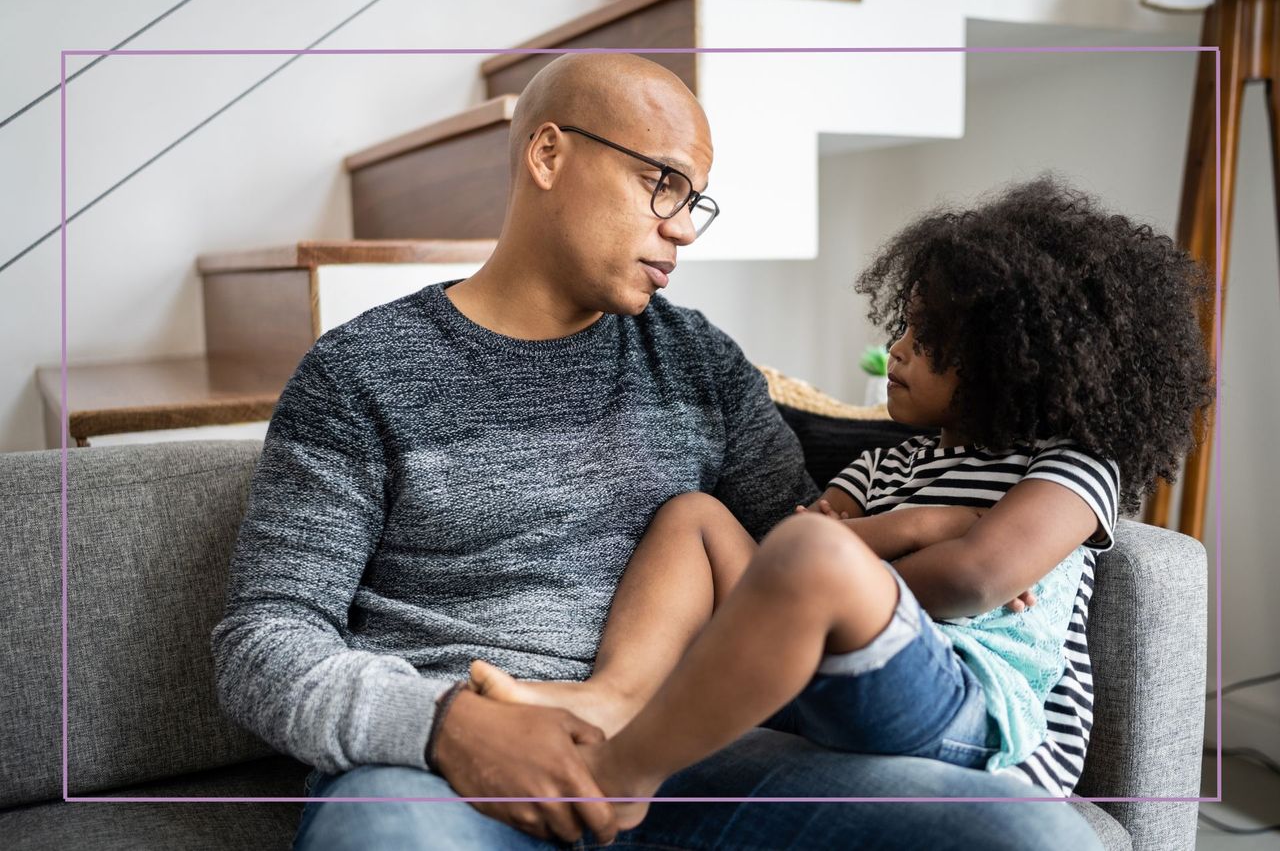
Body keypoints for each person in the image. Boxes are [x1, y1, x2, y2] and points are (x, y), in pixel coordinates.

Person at [212, 51, 1109, 849]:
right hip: (449, 770)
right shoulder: (361, 373)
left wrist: (953, 520)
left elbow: (790, 559)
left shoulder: (697, 362)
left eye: (694, 202)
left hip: (691, 756)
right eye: (662, 184)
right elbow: (263, 641)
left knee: (1026, 832)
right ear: (549, 154)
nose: (682, 227)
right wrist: (447, 725)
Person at [470, 176, 1216, 830]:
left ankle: (621, 778)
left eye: (928, 340)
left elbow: (973, 580)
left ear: (1015, 359)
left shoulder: (1071, 468)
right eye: (904, 326)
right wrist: (918, 526)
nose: (896, 350)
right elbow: (789, 554)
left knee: (813, 555)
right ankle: (611, 695)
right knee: (693, 515)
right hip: (834, 674)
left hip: (978, 715)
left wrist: (871, 549)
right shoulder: (888, 461)